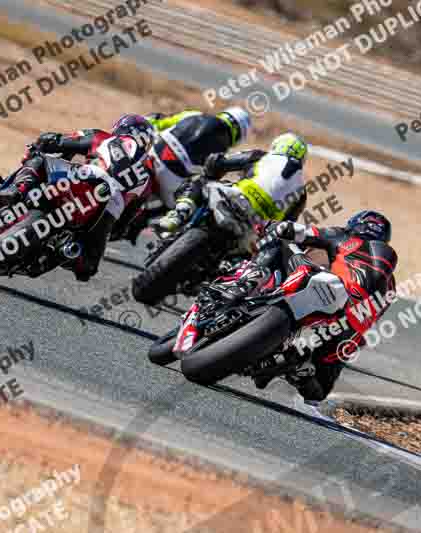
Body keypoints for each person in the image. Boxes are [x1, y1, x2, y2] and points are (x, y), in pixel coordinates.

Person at [222, 210, 397, 401]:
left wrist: (268, 225)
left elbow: (298, 231)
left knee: (280, 241)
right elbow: (371, 320)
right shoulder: (390, 287)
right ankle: (299, 369)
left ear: (355, 225)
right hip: (347, 330)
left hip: (320, 289)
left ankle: (245, 283)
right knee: (320, 389)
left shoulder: (344, 237)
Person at [0, 114, 156, 281]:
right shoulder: (147, 178)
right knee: (88, 267)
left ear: (120, 127)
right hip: (109, 208)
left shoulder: (101, 137)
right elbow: (125, 222)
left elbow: (56, 141)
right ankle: (66, 253)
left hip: (85, 176)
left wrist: (38, 145)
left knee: (39, 159)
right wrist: (110, 231)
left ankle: (16, 190)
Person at [153, 133, 309, 251]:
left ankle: (180, 212)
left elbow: (217, 162)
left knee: (200, 181)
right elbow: (287, 223)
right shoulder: (302, 192)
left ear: (278, 145)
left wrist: (212, 173)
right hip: (256, 227)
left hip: (235, 198)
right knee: (253, 253)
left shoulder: (261, 156)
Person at [145, 107, 252, 208]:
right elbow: (208, 179)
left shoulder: (194, 114)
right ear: (239, 138)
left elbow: (161, 123)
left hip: (150, 154)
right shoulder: (222, 154)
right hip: (169, 182)